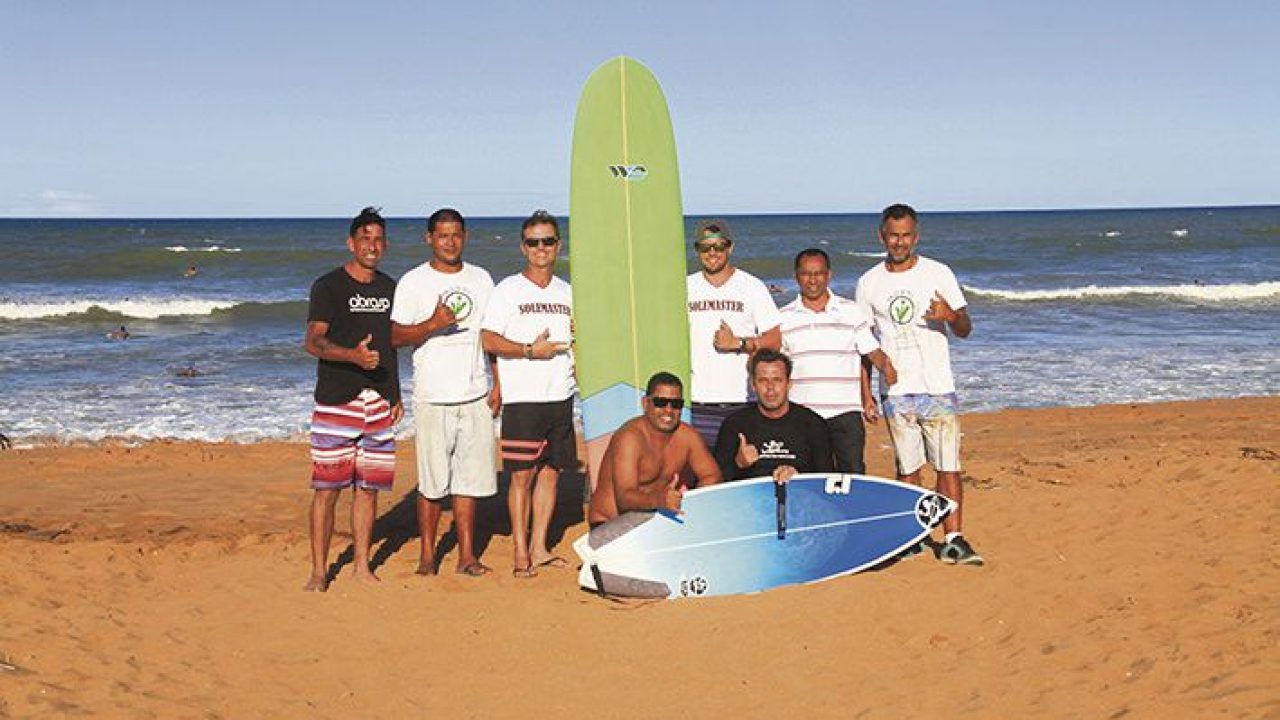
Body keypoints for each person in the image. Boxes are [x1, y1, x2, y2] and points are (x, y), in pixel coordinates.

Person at [855, 203, 982, 566]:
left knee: (947, 465)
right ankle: (913, 536)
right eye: (893, 235)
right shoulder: (869, 282)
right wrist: (866, 394)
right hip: (895, 391)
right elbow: (865, 344)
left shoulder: (938, 273)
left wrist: (950, 315)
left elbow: (965, 329)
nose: (899, 242)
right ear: (882, 236)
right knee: (907, 467)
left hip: (937, 385)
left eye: (906, 235)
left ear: (916, 236)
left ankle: (954, 537)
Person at [392, 208, 499, 577]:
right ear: (429, 239)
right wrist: (432, 324)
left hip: (475, 393)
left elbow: (491, 335)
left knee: (469, 481)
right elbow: (394, 336)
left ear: (465, 237)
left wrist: (498, 383)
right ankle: (427, 556)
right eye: (442, 235)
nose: (450, 242)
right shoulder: (412, 282)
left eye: (456, 235)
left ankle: (467, 556)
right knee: (433, 482)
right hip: (432, 395)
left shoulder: (482, 279)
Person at [302, 206, 401, 592]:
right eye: (365, 239)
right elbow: (313, 341)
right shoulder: (328, 287)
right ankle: (318, 571)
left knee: (368, 489)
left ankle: (362, 566)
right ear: (351, 243)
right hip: (336, 400)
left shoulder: (390, 288)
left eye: (378, 240)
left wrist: (394, 393)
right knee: (326, 490)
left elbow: (392, 347)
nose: (372, 246)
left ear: (385, 244)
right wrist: (352, 356)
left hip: (378, 403)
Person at [480, 210, 575, 578]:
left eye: (548, 241)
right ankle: (520, 551)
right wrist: (527, 351)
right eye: (534, 242)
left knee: (550, 473)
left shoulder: (569, 292)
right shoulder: (508, 290)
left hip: (561, 395)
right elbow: (488, 338)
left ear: (558, 245)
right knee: (522, 476)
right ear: (523, 247)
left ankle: (540, 547)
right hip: (524, 399)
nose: (541, 248)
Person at [779, 248, 897, 474]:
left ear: (829, 275)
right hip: (802, 414)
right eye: (806, 274)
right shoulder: (783, 318)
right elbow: (777, 370)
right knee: (807, 478)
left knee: (851, 477)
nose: (813, 280)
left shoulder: (851, 311)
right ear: (796, 276)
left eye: (818, 273)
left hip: (846, 414)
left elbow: (871, 351)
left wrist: (886, 367)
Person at [685, 219, 782, 450]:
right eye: (705, 247)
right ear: (697, 250)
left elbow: (774, 341)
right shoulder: (685, 287)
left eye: (719, 247)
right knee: (701, 479)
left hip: (741, 401)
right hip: (696, 402)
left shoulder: (752, 286)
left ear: (730, 248)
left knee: (741, 474)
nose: (712, 253)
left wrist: (738, 343)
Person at [587, 372, 721, 527]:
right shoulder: (630, 438)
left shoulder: (687, 436)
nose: (668, 410)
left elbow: (712, 476)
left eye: (676, 404)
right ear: (645, 403)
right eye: (660, 402)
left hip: (653, 521)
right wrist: (660, 500)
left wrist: (688, 503)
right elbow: (624, 498)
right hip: (610, 523)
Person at [714, 349, 832, 484]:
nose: (770, 387)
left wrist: (799, 477)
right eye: (763, 380)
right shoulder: (734, 424)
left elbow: (826, 480)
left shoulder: (813, 425)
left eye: (777, 380)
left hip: (800, 499)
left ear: (789, 384)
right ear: (753, 385)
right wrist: (738, 464)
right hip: (750, 500)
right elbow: (716, 482)